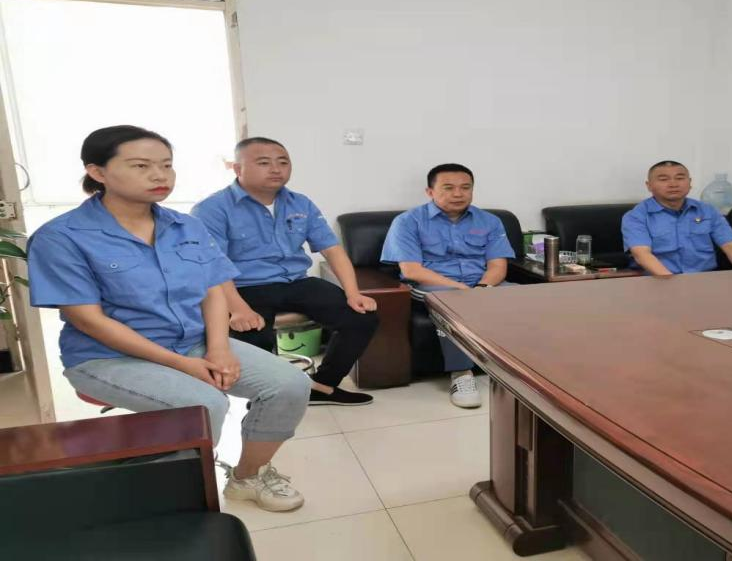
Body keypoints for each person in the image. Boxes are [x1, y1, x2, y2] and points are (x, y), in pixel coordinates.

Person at [28, 125, 310, 512]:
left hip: (192, 342)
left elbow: (212, 290)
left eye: (166, 165)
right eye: (141, 166)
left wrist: (219, 348)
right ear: (97, 172)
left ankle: (248, 477)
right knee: (204, 405)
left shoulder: (186, 226)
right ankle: (179, 500)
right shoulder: (62, 237)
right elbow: (90, 321)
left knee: (290, 384)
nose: (159, 175)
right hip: (108, 357)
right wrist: (183, 365)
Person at [192, 137, 379, 406]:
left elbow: (333, 250)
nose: (276, 169)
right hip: (243, 286)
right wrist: (238, 309)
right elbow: (212, 265)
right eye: (263, 163)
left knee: (360, 318)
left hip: (296, 281)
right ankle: (266, 396)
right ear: (238, 168)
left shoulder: (300, 203)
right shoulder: (212, 208)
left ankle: (322, 386)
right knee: (253, 335)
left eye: (283, 162)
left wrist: (353, 293)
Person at [380, 163, 514, 408]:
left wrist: (482, 289)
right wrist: (462, 290)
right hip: (432, 284)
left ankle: (525, 370)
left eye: (465, 187)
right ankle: (461, 375)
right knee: (454, 304)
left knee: (526, 299)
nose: (458, 194)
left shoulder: (490, 221)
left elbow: (497, 266)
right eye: (448, 188)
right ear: (430, 191)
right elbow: (412, 271)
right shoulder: (408, 222)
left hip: (481, 284)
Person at [622, 160, 732, 275]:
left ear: (690, 182)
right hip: (659, 280)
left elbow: (731, 245)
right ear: (649, 185)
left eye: (680, 178)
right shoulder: (636, 216)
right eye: (663, 179)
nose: (673, 184)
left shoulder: (707, 211)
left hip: (705, 279)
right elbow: (642, 255)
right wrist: (674, 284)